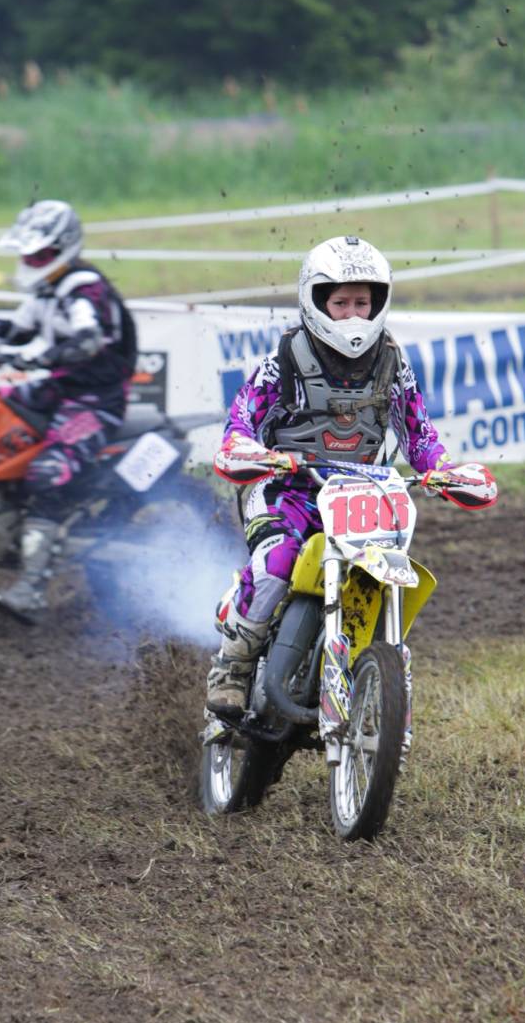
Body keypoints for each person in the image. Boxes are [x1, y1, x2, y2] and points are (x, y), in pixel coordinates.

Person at [205, 234, 497, 745]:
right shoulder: (285, 360)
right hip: (285, 487)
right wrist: (248, 451)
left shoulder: (392, 362)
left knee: (385, 565)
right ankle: (232, 666)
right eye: (341, 303)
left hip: (362, 491)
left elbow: (419, 434)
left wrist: (444, 471)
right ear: (316, 302)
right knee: (276, 565)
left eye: (363, 302)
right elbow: (242, 421)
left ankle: (365, 667)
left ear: (379, 301)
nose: (353, 315)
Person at [0, 198, 137, 623]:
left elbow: (87, 340)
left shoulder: (84, 290)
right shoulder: (47, 290)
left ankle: (33, 589)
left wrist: (32, 359)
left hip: (95, 399)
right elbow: (10, 329)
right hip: (57, 388)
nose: (31, 261)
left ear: (62, 248)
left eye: (39, 254)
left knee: (48, 471)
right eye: (28, 254)